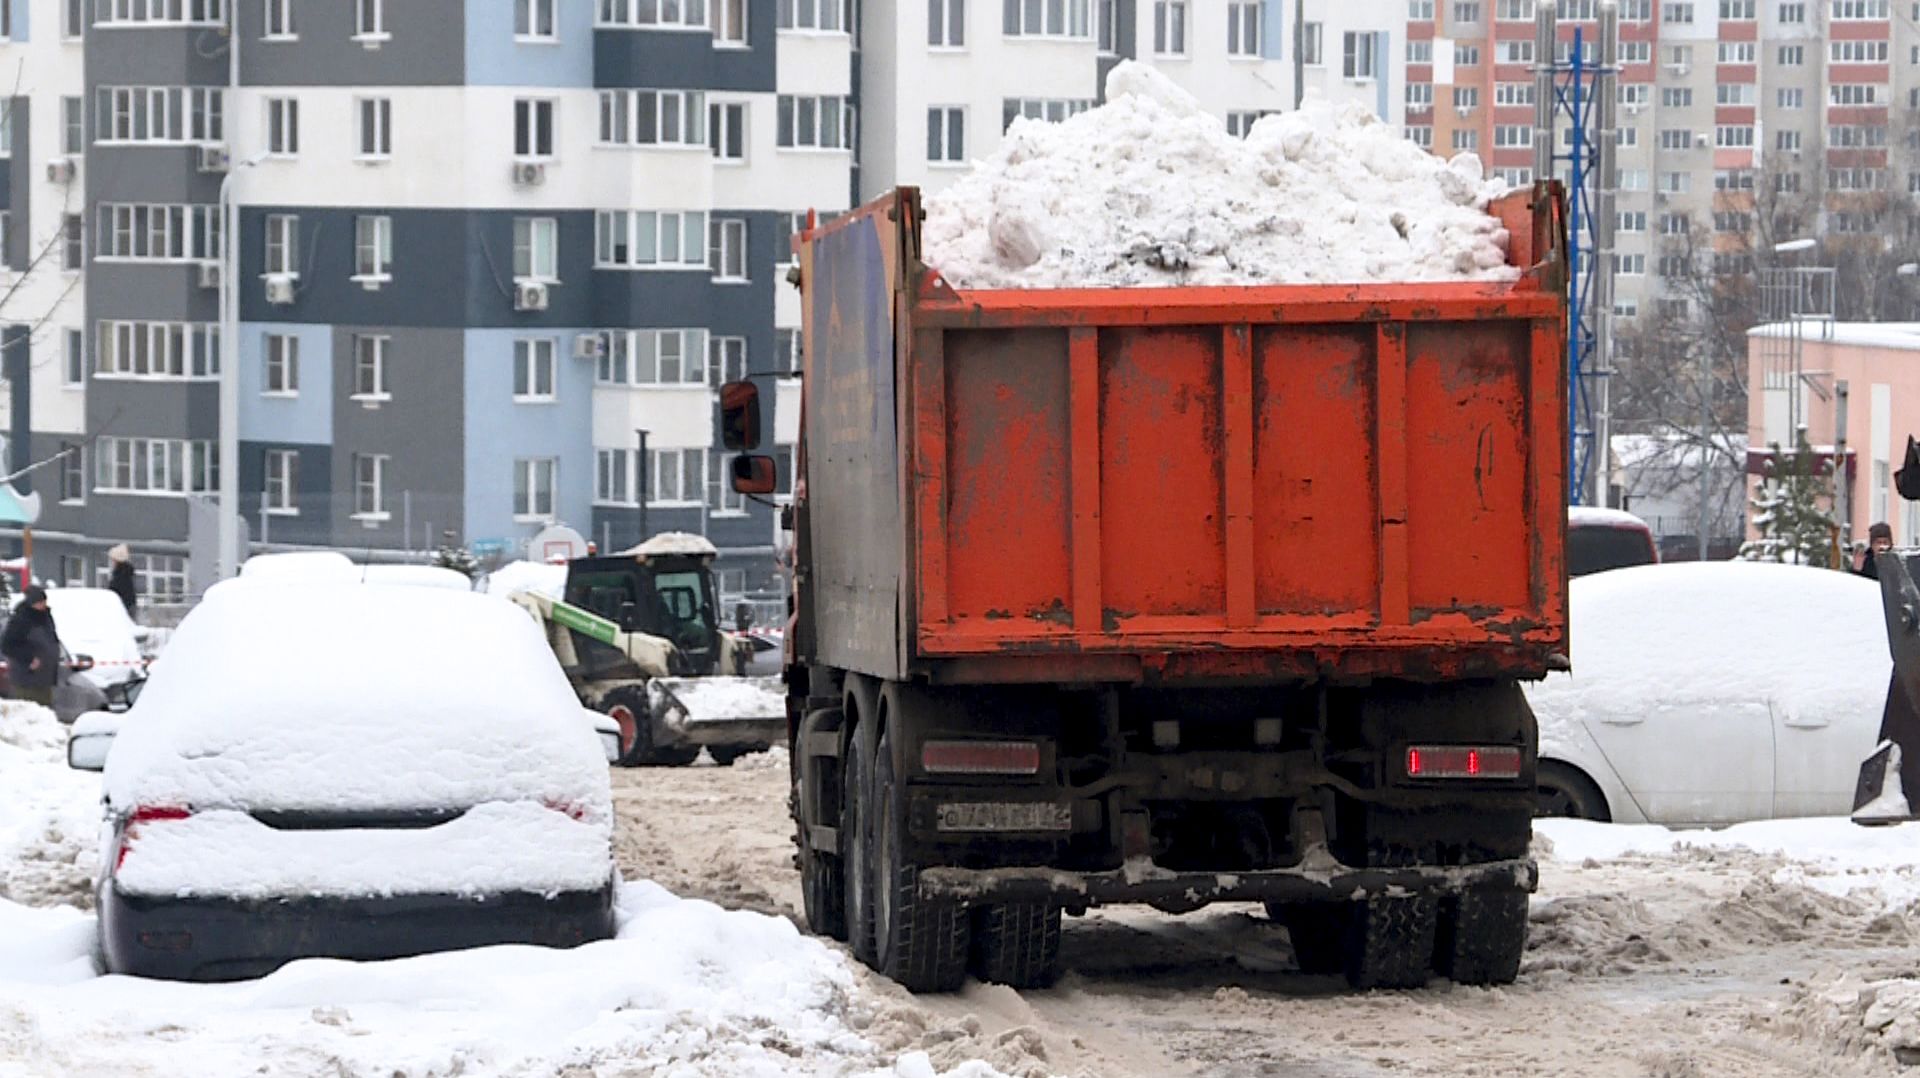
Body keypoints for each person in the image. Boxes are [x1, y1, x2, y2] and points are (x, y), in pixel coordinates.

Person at [2, 587, 63, 708]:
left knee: (45, 714)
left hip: (45, 678)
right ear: (31, 603)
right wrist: (29, 659)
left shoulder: (46, 617)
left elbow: (51, 640)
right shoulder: (20, 620)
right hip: (27, 680)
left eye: (44, 601)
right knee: (30, 714)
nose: (43, 605)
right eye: (40, 602)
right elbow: (7, 646)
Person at [107, 544, 137, 618]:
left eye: (113, 560)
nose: (112, 562)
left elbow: (114, 593)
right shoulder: (126, 573)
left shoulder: (120, 576)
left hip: (122, 611)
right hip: (127, 608)